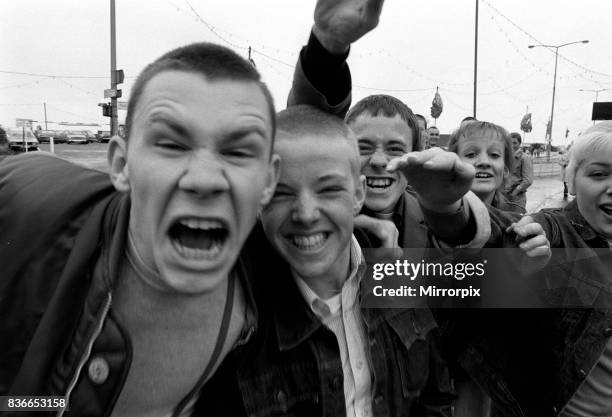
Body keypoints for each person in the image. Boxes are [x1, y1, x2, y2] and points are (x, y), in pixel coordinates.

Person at [0, 42, 280, 416]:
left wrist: (378, 251)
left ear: (269, 180)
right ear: (121, 164)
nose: (205, 179)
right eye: (170, 144)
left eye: (239, 151)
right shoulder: (30, 220)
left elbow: (317, 149)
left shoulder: (279, 275)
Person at [206, 105, 454, 416]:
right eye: (281, 193)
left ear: (358, 195)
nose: (306, 215)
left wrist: (458, 208)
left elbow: (435, 396)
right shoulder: (233, 314)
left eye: (329, 190)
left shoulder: (396, 274)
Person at [447, 121, 525, 214]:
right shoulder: (436, 213)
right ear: (453, 165)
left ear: (505, 169)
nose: (484, 162)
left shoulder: (517, 216)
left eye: (494, 155)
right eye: (471, 154)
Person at [504, 132, 533, 210]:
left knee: (516, 220)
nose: (512, 145)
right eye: (510, 143)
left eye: (514, 143)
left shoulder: (524, 158)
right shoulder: (505, 157)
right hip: (504, 196)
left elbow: (528, 180)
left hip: (517, 198)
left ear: (520, 143)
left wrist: (515, 192)